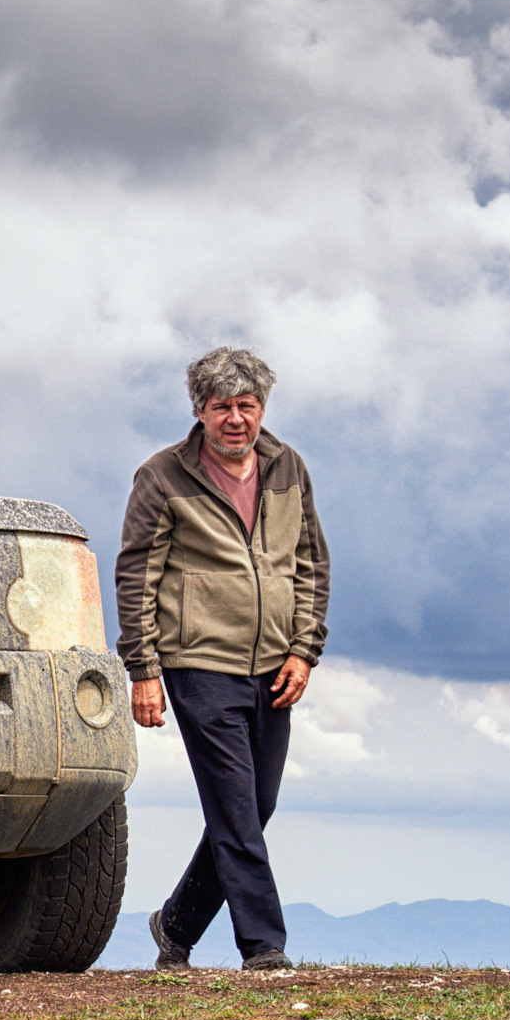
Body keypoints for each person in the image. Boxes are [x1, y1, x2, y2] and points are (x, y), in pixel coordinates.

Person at [114, 347, 329, 972]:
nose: (235, 419)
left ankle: (176, 923)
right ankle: (264, 945)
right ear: (199, 412)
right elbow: (137, 574)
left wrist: (304, 649)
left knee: (255, 805)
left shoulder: (289, 467)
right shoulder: (161, 476)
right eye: (221, 408)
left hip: (276, 665)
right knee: (234, 806)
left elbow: (310, 561)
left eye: (247, 406)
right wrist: (144, 670)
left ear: (262, 408)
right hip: (197, 661)